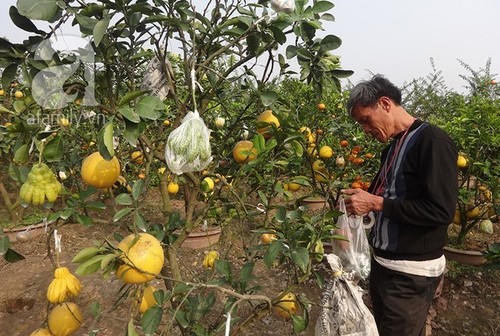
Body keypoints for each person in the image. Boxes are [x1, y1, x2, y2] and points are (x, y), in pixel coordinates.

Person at [341, 75, 458, 336]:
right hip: (384, 266)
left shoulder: (432, 141)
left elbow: (440, 211)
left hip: (410, 274)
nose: (365, 130)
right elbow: (386, 196)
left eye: (365, 120)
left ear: (384, 103)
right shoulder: (392, 148)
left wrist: (377, 203)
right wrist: (360, 202)